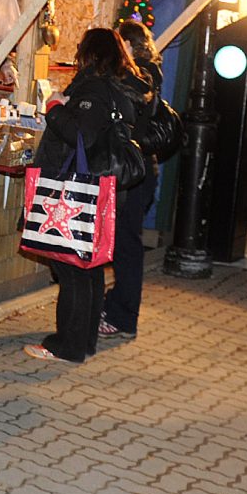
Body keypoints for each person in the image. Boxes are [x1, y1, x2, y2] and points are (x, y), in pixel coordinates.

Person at [25, 28, 147, 363]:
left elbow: (83, 135)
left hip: (80, 190)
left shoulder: (94, 87)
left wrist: (54, 108)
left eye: (81, 47)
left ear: (91, 53)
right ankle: (84, 341)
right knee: (88, 267)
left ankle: (68, 345)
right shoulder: (118, 88)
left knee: (72, 269)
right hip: (99, 189)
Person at [101, 19, 165, 339]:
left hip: (134, 172)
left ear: (126, 44)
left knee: (126, 246)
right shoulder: (145, 71)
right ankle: (116, 307)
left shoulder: (141, 75)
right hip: (138, 169)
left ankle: (122, 317)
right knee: (122, 243)